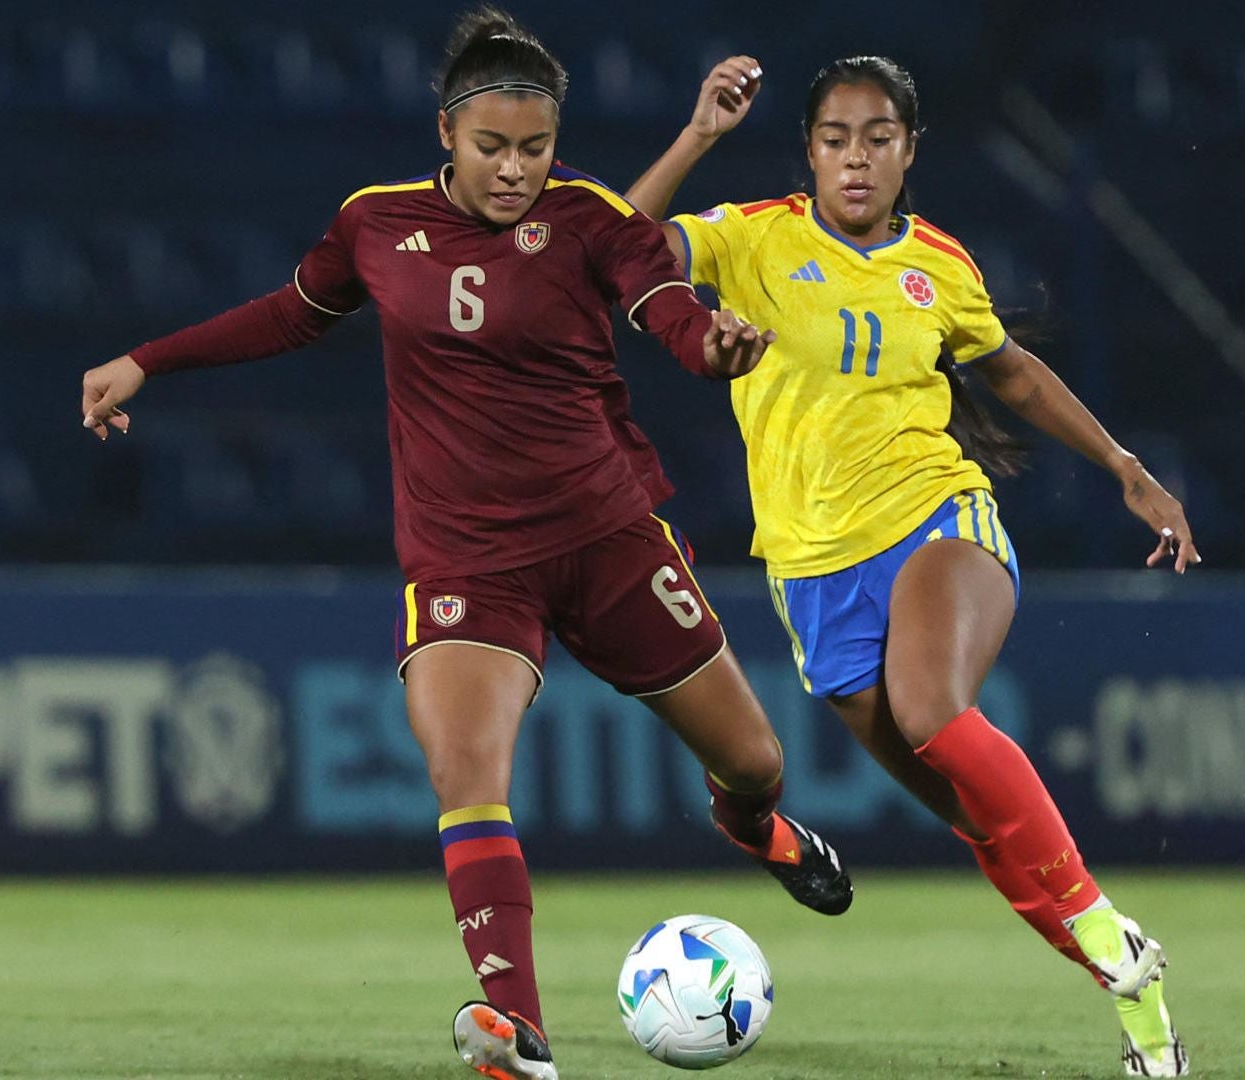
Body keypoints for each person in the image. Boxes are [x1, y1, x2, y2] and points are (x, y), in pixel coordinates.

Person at [81, 12, 856, 1080]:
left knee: (755, 762)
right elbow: (289, 314)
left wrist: (715, 345)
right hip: (464, 562)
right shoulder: (375, 223)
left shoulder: (589, 219)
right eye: (493, 147)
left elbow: (668, 303)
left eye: (535, 148)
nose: (515, 169)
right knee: (465, 771)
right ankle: (519, 1037)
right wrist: (147, 361)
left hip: (608, 535)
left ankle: (756, 830)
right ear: (447, 133)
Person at [625, 54, 1195, 1077]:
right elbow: (619, 244)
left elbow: (1008, 371)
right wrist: (699, 133)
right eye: (836, 139)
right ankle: (1141, 1006)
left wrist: (1123, 465)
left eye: (877, 138)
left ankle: (1107, 930)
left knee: (933, 710)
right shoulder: (752, 237)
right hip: (813, 572)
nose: (856, 159)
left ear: (908, 150)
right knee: (986, 831)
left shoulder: (938, 264)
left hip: (937, 515)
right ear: (808, 151)